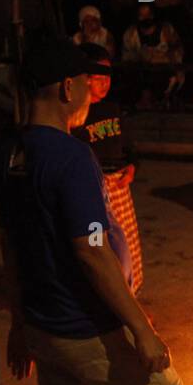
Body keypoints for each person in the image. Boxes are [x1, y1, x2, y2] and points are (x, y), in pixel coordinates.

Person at [0, 36, 191, 385]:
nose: (88, 91)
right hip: (84, 330)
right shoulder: (70, 156)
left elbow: (10, 245)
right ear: (66, 86)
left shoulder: (6, 153)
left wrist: (19, 323)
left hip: (41, 328)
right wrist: (141, 330)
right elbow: (91, 252)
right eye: (83, 81)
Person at [74, 44, 144, 294]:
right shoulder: (79, 116)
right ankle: (116, 300)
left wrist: (132, 165)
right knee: (110, 248)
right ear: (84, 79)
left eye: (108, 77)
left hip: (119, 185)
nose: (105, 83)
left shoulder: (112, 109)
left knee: (129, 246)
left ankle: (131, 297)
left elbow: (127, 144)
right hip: (97, 188)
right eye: (98, 77)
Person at [121, 3, 185, 108]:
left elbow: (178, 51)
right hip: (140, 74)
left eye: (149, 14)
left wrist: (162, 57)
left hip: (165, 73)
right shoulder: (131, 34)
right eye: (142, 15)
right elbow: (126, 57)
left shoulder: (167, 30)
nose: (146, 18)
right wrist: (141, 56)